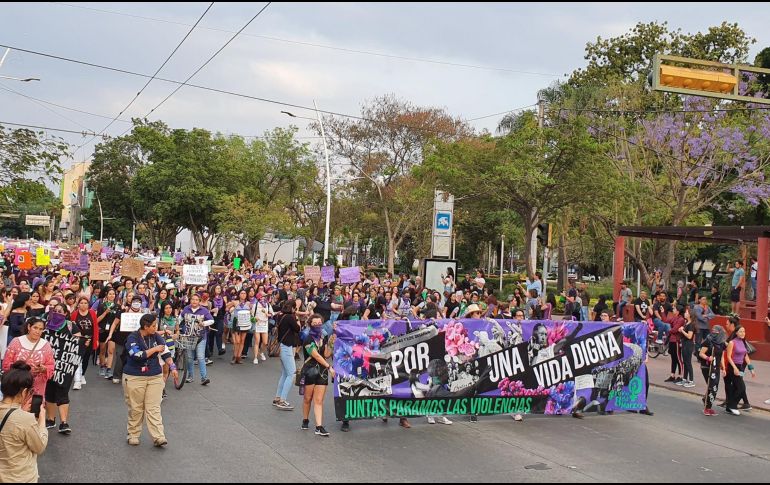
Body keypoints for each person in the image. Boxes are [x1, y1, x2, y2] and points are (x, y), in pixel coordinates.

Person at [123, 313, 177, 446]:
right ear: (145, 326)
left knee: (154, 407)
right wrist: (155, 349)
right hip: (135, 376)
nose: (156, 328)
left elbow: (165, 353)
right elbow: (136, 355)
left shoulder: (157, 337)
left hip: (154, 375)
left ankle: (158, 436)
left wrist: (173, 366)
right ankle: (133, 434)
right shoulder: (132, 338)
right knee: (136, 408)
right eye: (153, 326)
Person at [0, 361, 49, 483]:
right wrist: (42, 420)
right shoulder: (25, 419)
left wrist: (20, 411)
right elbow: (40, 446)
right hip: (20, 477)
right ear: (24, 392)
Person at [1, 318, 55, 409]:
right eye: (35, 328)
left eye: (41, 329)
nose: (38, 331)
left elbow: (51, 366)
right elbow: (6, 364)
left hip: (37, 387)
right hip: (17, 386)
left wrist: (43, 369)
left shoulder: (46, 345)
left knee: (34, 412)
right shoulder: (16, 342)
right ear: (29, 327)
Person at [300, 314, 336, 437]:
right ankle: (305, 419)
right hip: (310, 370)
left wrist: (331, 343)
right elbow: (315, 355)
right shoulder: (307, 338)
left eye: (319, 323)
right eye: (315, 323)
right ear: (310, 325)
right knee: (307, 398)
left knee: (319, 400)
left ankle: (319, 426)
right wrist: (329, 366)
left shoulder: (323, 337)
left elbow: (325, 354)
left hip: (322, 372)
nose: (318, 325)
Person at [179, 294, 213, 385]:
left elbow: (211, 320)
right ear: (190, 300)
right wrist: (178, 328)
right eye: (193, 299)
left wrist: (204, 323)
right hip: (188, 337)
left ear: (199, 301)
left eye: (196, 299)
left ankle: (204, 378)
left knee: (200, 357)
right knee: (190, 358)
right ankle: (190, 376)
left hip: (201, 337)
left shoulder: (204, 310)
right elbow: (180, 318)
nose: (194, 301)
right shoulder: (186, 309)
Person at [273, 300, 300, 411]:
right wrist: (297, 318)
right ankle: (282, 400)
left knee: (285, 374)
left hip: (282, 347)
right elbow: (297, 328)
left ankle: (278, 397)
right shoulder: (290, 317)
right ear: (293, 308)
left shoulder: (281, 316)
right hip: (287, 347)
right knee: (291, 374)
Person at [725, 324, 755, 415]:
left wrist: (751, 369)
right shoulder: (732, 342)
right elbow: (729, 357)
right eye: (741, 331)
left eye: (744, 331)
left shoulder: (743, 342)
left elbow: (746, 356)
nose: (743, 333)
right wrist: (734, 368)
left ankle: (729, 406)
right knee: (741, 387)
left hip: (740, 367)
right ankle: (732, 406)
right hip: (732, 367)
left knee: (736, 387)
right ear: (736, 333)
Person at [699, 325, 727, 416]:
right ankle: (707, 408)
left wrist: (723, 368)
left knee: (714, 387)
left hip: (716, 368)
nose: (714, 332)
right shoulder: (708, 341)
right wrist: (708, 358)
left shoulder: (721, 344)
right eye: (713, 330)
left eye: (717, 331)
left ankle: (706, 401)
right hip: (707, 367)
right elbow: (701, 353)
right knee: (711, 386)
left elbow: (721, 356)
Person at [71, 297, 98, 390]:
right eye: (81, 303)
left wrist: (96, 340)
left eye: (85, 303)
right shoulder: (74, 314)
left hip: (90, 339)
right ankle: (77, 378)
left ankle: (82, 374)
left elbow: (95, 327)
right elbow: (72, 327)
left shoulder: (92, 313)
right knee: (78, 358)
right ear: (78, 304)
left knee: (86, 358)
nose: (83, 305)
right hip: (79, 340)